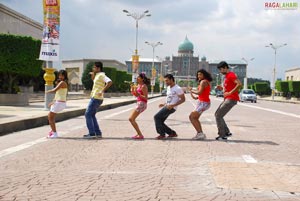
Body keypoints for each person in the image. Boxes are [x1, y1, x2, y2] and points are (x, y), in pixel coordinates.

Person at [84, 61, 112, 138]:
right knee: (92, 115)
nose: (93, 68)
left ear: (98, 68)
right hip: (96, 97)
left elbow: (109, 82)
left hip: (96, 97)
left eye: (94, 67)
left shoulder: (102, 75)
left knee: (87, 114)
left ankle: (92, 133)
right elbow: (95, 82)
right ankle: (98, 133)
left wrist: (102, 90)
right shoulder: (97, 75)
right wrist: (93, 75)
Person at [215, 61, 242, 141]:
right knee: (218, 114)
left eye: (221, 69)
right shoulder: (226, 76)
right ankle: (226, 132)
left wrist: (230, 92)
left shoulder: (231, 75)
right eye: (219, 70)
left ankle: (222, 135)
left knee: (218, 115)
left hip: (231, 99)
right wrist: (221, 88)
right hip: (228, 98)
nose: (220, 71)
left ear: (226, 68)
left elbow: (239, 84)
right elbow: (228, 88)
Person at [154, 74, 185, 139]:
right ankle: (172, 133)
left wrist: (173, 105)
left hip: (171, 108)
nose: (166, 82)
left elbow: (183, 99)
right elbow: (169, 99)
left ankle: (162, 134)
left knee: (156, 117)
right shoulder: (168, 88)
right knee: (160, 121)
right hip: (167, 106)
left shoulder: (178, 88)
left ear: (171, 80)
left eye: (167, 81)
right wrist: (164, 104)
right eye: (165, 81)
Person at [188, 69, 212, 140]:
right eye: (198, 74)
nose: (199, 76)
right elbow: (199, 95)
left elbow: (200, 92)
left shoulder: (203, 82)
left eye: (200, 74)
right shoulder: (203, 82)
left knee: (192, 116)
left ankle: (200, 134)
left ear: (204, 75)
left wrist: (191, 90)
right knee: (194, 117)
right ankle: (200, 133)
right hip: (201, 102)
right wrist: (191, 92)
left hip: (204, 103)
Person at [46, 70, 68, 138]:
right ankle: (53, 132)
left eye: (61, 75)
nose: (60, 76)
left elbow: (54, 90)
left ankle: (54, 133)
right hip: (59, 102)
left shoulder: (62, 82)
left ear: (64, 76)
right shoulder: (63, 83)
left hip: (59, 103)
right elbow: (58, 94)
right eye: (59, 75)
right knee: (51, 117)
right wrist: (53, 102)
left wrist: (46, 91)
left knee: (50, 117)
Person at [129, 73, 150, 139]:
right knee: (132, 119)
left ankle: (140, 135)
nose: (137, 78)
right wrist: (132, 90)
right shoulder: (138, 85)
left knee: (131, 119)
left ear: (142, 79)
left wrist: (138, 94)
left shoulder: (144, 86)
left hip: (142, 103)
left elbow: (146, 97)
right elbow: (136, 95)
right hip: (139, 102)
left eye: (138, 77)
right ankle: (139, 134)